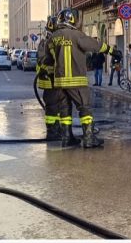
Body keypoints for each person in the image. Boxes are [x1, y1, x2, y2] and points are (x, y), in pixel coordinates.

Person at [48, 8, 112, 148]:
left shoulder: (53, 37)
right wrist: (111, 51)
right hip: (76, 81)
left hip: (59, 83)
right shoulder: (77, 35)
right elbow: (95, 45)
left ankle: (66, 138)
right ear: (72, 20)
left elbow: (48, 59)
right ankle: (89, 138)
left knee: (64, 111)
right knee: (85, 109)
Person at [36, 16, 77, 144]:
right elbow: (42, 63)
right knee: (53, 110)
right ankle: (53, 133)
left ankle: (63, 133)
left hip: (59, 83)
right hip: (50, 83)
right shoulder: (46, 44)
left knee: (63, 108)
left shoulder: (52, 42)